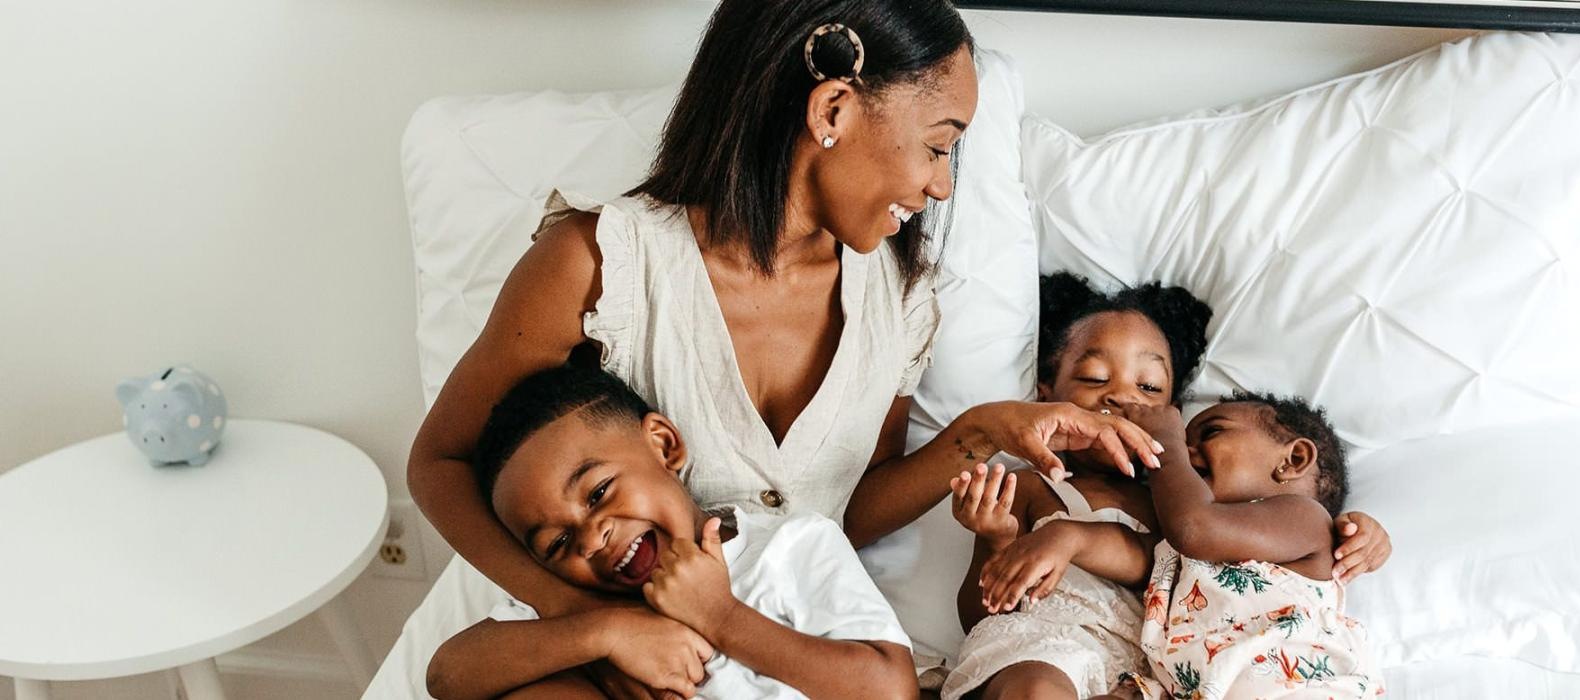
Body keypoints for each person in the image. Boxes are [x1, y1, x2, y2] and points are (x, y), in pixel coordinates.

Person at [407, 3, 1159, 696]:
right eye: (937, 147)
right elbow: (439, 463)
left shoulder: (897, 300)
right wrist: (592, 622)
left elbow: (841, 513)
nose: (938, 186)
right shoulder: (601, 264)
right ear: (832, 108)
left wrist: (985, 432)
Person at [939, 273, 1390, 700]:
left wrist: (1359, 531)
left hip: (1165, 670)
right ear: (1045, 397)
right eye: (1095, 378)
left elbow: (1184, 535)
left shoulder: (1181, 506)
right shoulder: (1028, 486)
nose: (1122, 397)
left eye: (1150, 388)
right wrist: (994, 540)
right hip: (1063, 652)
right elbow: (983, 620)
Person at [425, 364, 916, 700]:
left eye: (598, 494)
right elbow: (448, 674)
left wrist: (720, 616)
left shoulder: (790, 547)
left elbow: (891, 690)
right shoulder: (576, 608)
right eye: (557, 544)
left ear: (663, 445)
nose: (592, 540)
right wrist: (608, 633)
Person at [1125, 394, 1384, 699]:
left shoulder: (1306, 520)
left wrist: (1165, 444)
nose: (1187, 451)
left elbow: (1194, 528)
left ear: (1293, 459)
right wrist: (1070, 538)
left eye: (1211, 433)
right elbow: (1138, 556)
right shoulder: (1182, 543)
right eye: (1183, 441)